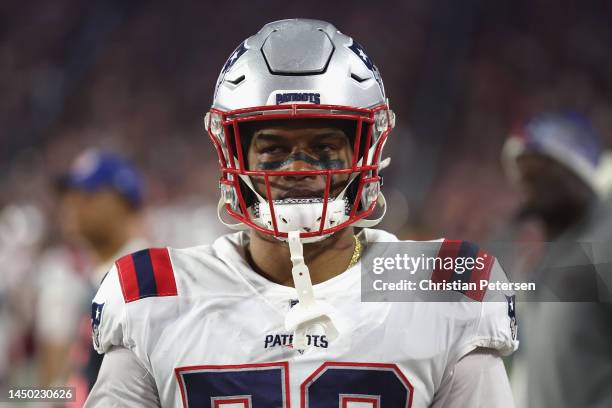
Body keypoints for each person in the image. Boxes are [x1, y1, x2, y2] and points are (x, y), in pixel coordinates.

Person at [85, 19, 518, 407]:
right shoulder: (155, 297)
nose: (297, 168)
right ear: (234, 156)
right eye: (272, 148)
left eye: (325, 148)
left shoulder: (442, 289)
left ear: (366, 151)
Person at [502, 112, 612, 407]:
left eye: (537, 168)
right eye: (520, 171)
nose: (524, 180)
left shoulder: (605, 239)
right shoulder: (546, 261)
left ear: (577, 171)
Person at [34, 149, 148, 404]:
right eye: (69, 194)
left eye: (87, 194)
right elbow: (67, 388)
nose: (71, 203)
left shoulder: (145, 279)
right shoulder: (75, 276)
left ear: (123, 202)